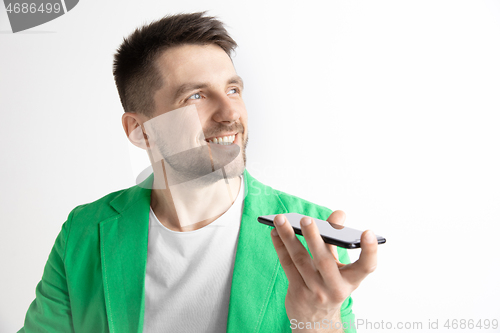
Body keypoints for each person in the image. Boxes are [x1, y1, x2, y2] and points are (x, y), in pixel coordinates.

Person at [19, 12, 378, 333]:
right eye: (195, 96)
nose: (229, 113)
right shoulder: (84, 233)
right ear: (140, 130)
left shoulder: (310, 235)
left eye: (233, 89)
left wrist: (316, 323)